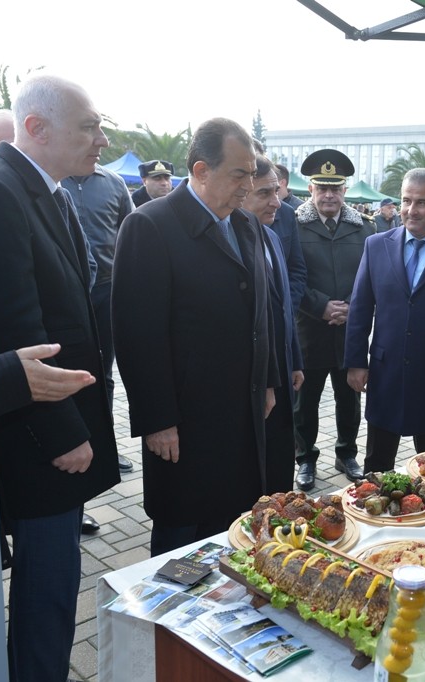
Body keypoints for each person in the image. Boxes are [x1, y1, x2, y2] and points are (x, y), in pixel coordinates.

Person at [0, 73, 121, 682]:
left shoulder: (46, 190)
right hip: (38, 439)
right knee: (47, 590)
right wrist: (64, 434)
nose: (102, 142)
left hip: (53, 423)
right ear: (35, 128)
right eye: (89, 128)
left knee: (59, 583)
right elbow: (16, 332)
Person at [112, 117, 279, 556]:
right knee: (183, 544)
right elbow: (136, 334)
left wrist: (270, 379)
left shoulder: (247, 225)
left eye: (252, 172)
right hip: (185, 421)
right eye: (239, 174)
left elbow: (264, 312)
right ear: (202, 171)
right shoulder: (150, 226)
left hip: (244, 410)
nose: (249, 185)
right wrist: (157, 419)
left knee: (237, 531)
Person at [345, 168, 425, 472]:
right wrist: (356, 362)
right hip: (385, 375)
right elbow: (360, 307)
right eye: (406, 201)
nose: (411, 211)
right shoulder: (376, 245)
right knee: (376, 466)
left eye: (422, 203)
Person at [292, 149, 373, 490]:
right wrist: (322, 305)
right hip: (308, 329)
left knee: (349, 396)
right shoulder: (294, 225)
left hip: (349, 331)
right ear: (310, 189)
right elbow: (290, 275)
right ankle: (305, 459)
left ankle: (346, 452)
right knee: (305, 400)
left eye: (335, 188)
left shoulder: (364, 228)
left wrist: (353, 307)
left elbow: (371, 275)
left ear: (344, 190)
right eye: (321, 187)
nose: (328, 195)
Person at [61, 162, 135, 473]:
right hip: (64, 294)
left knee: (102, 373)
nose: (99, 142)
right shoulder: (53, 177)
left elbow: (131, 231)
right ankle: (71, 443)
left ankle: (105, 448)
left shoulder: (114, 183)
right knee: (65, 373)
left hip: (106, 289)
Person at [244, 154, 306, 494]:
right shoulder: (232, 244)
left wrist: (294, 358)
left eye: (278, 192)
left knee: (280, 460)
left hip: (281, 370)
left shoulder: (271, 238)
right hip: (252, 380)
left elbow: (283, 307)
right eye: (265, 194)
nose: (278, 203)